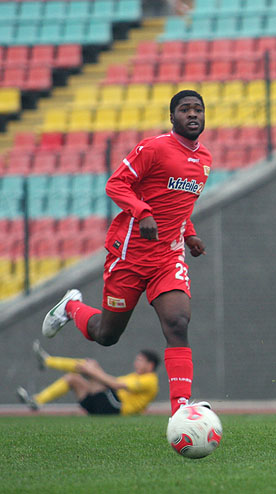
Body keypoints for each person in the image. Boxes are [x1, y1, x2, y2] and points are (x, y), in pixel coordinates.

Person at [40, 90, 212, 416]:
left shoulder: (204, 159)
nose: (193, 114)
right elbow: (116, 184)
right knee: (106, 335)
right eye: (185, 109)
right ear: (172, 117)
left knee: (178, 322)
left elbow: (178, 205)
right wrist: (141, 211)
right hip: (129, 255)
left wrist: (189, 234)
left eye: (198, 109)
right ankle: (72, 306)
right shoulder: (154, 148)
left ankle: (181, 410)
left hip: (167, 257)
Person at [17, 340, 159, 415]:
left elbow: (116, 385)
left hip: (116, 408)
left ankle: (48, 361)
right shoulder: (136, 375)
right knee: (72, 378)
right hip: (102, 405)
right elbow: (113, 382)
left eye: (140, 360)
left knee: (91, 366)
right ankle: (37, 401)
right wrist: (92, 371)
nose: (136, 363)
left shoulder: (150, 380)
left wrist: (92, 371)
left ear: (150, 365)